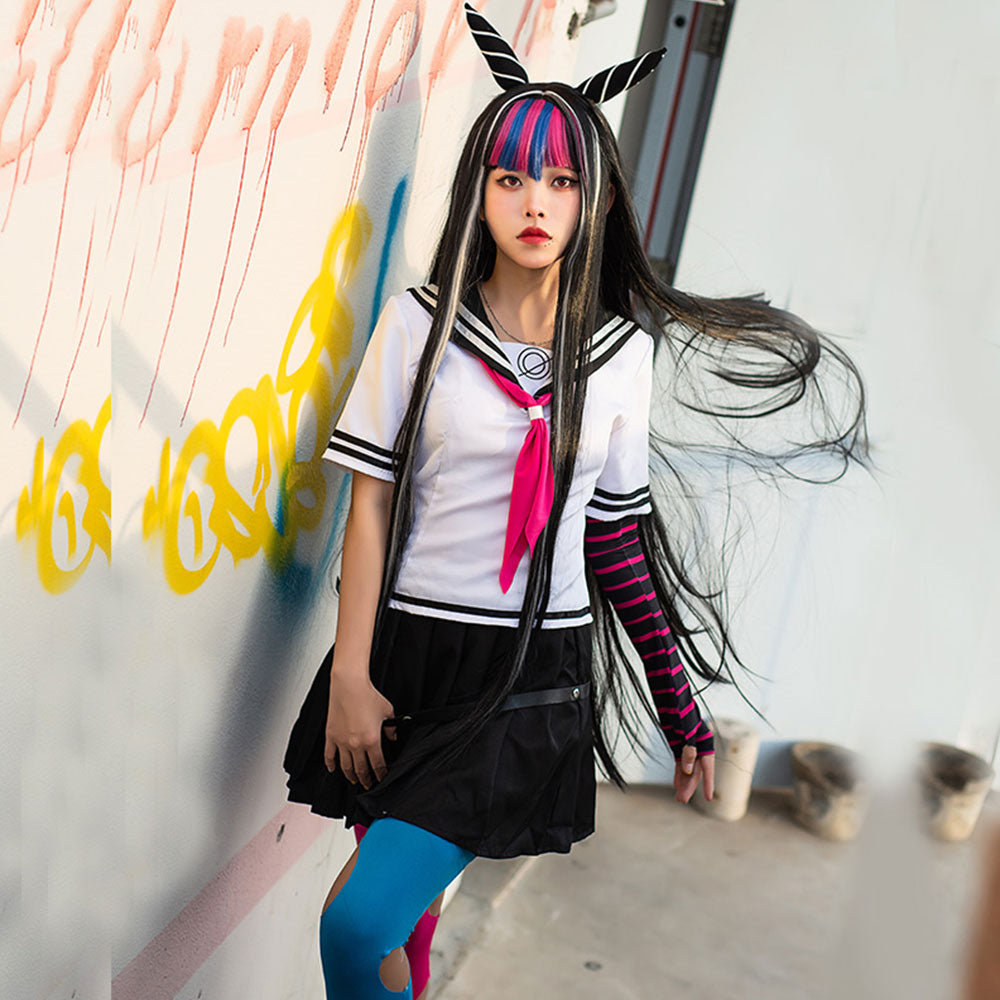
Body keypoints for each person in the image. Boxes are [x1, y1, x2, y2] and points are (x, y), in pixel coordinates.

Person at [282, 5, 870, 998]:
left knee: (354, 925)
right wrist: (351, 671)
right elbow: (370, 503)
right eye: (511, 177)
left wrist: (678, 704)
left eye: (561, 179)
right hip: (405, 658)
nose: (535, 201)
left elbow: (615, 540)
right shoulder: (418, 327)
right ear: (479, 191)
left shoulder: (619, 356)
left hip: (525, 680)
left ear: (592, 198)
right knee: (405, 915)